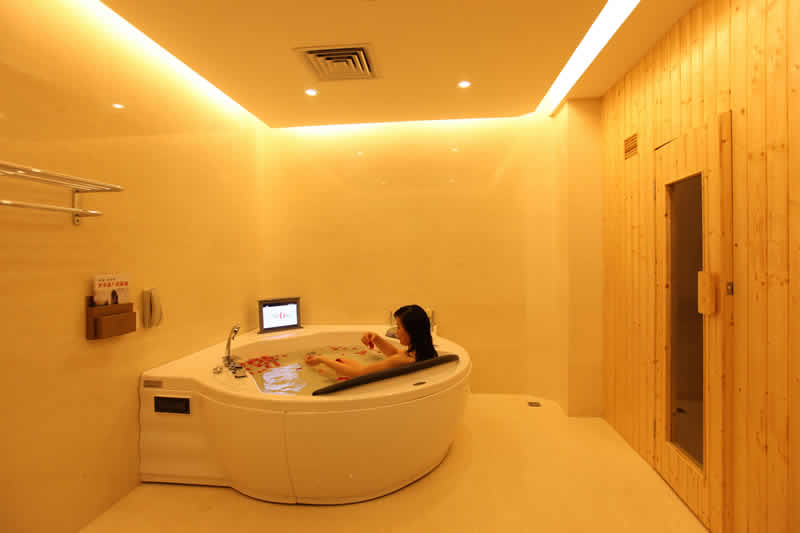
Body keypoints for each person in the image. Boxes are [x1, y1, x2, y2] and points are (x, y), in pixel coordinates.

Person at [305, 305, 437, 377]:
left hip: (362, 382)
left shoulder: (404, 360)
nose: (396, 332)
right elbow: (396, 354)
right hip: (371, 377)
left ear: (412, 331)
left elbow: (359, 374)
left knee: (329, 367)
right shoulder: (422, 353)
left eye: (398, 327)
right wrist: (377, 338)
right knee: (341, 360)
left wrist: (322, 360)